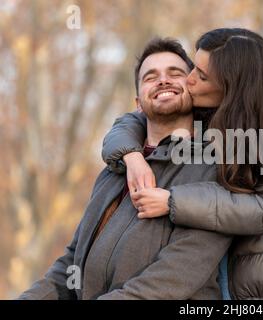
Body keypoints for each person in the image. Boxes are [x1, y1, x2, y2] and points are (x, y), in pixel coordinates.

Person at [102, 28, 263, 300]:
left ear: (232, 85)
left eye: (201, 76)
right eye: (193, 69)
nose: (189, 81)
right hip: (218, 281)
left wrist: (172, 201)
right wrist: (131, 156)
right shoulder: (216, 114)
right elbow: (132, 119)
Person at [18, 38, 233, 300]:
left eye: (175, 74)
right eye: (150, 77)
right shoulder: (113, 172)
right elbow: (71, 264)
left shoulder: (214, 167)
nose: (163, 81)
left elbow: (173, 279)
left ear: (193, 89)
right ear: (138, 103)